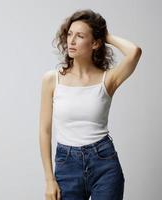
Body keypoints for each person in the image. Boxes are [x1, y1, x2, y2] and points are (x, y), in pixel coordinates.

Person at [39, 9, 142, 200]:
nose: (71, 41)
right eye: (69, 34)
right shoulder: (52, 80)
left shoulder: (108, 79)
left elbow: (134, 52)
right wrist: (49, 180)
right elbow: (45, 131)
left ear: (95, 43)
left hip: (104, 163)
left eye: (80, 36)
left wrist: (105, 35)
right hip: (66, 163)